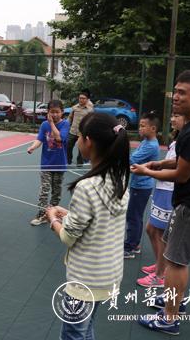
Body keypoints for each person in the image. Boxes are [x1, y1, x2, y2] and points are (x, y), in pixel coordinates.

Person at [134, 70, 190, 335]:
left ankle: (169, 318)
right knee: (173, 253)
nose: (175, 97)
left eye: (182, 93)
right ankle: (172, 299)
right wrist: (160, 163)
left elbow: (182, 174)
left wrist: (148, 171)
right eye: (175, 91)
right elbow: (186, 161)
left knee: (175, 261)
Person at [46, 112, 130, 340]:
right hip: (109, 275)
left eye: (80, 136)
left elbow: (67, 237)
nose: (78, 141)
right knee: (86, 327)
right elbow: (99, 219)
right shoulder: (120, 178)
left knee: (73, 334)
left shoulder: (86, 187)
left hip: (85, 280)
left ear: (88, 141)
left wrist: (53, 219)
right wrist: (70, 214)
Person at [137, 113, 184, 288]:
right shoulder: (177, 139)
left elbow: (179, 167)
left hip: (169, 190)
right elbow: (172, 162)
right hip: (162, 187)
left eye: (177, 115)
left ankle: (161, 274)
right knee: (151, 229)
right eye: (172, 115)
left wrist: (149, 170)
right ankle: (160, 265)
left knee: (161, 234)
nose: (172, 119)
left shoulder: (188, 139)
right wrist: (157, 166)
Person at [27, 100, 70, 226]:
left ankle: (52, 214)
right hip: (46, 163)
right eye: (52, 112)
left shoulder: (65, 124)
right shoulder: (44, 125)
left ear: (62, 112)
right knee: (44, 190)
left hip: (59, 164)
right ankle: (41, 214)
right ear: (48, 112)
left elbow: (59, 138)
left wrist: (51, 123)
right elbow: (39, 139)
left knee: (56, 191)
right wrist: (33, 147)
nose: (55, 115)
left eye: (57, 112)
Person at [123, 112, 160, 259]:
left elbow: (132, 160)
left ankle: (130, 247)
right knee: (135, 215)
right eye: (140, 126)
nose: (140, 128)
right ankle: (135, 244)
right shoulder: (146, 141)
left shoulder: (151, 145)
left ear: (153, 128)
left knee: (133, 216)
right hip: (139, 184)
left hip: (141, 186)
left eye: (143, 126)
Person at [66, 90, 94, 167]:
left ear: (87, 99)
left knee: (81, 149)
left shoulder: (90, 110)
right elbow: (70, 118)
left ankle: (79, 163)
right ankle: (68, 161)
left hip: (83, 133)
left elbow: (91, 122)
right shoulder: (74, 108)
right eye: (80, 98)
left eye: (83, 98)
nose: (81, 100)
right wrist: (66, 126)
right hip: (73, 131)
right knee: (68, 146)